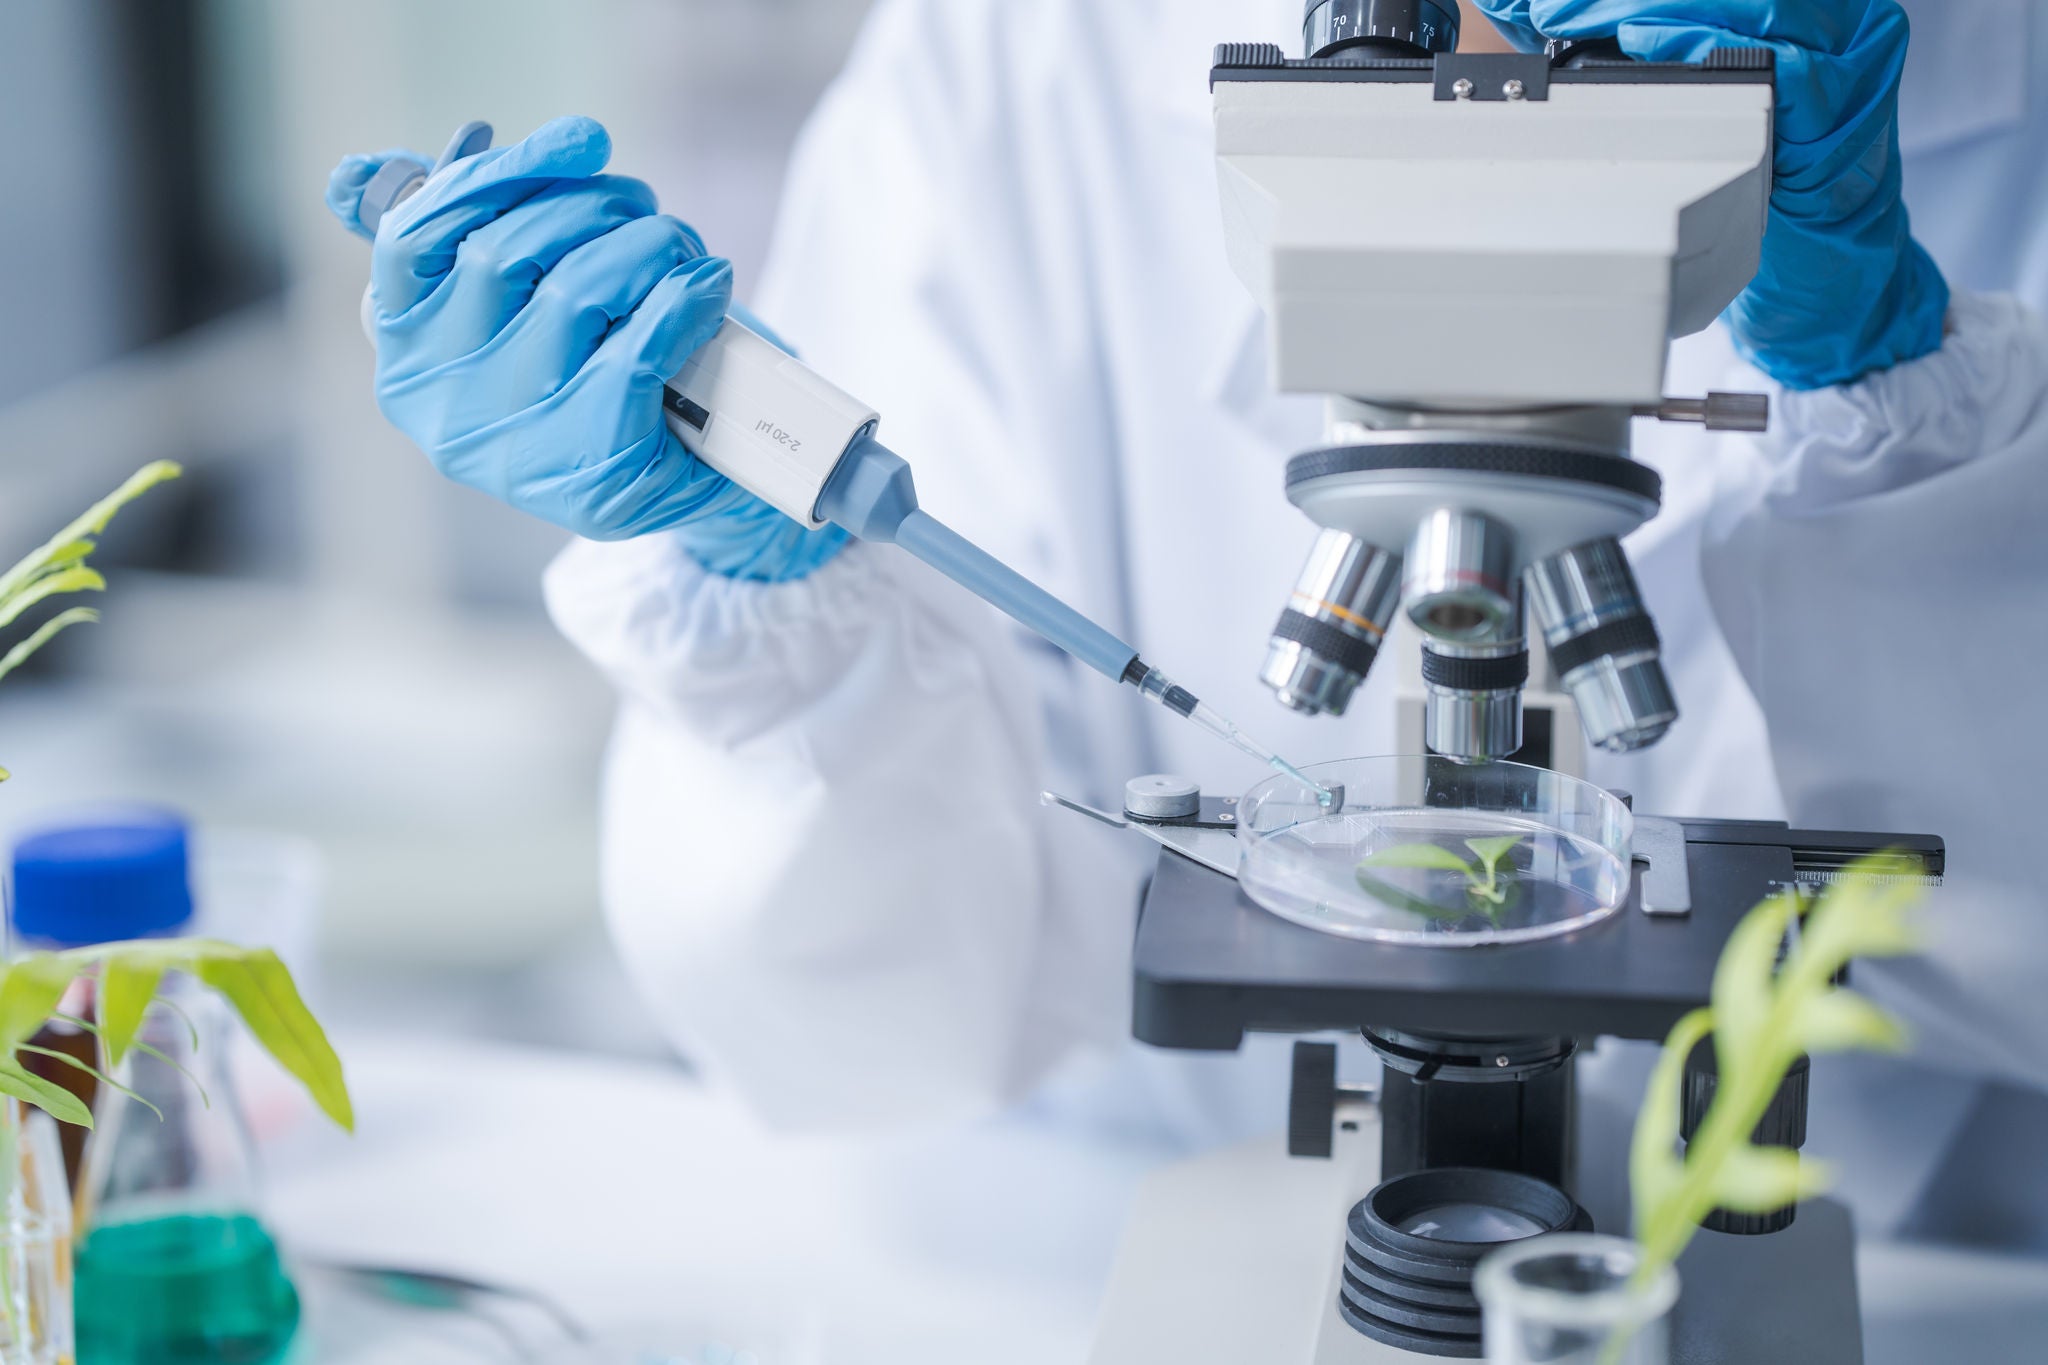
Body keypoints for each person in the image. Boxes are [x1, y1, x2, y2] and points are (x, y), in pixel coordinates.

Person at [327, 0, 2048, 1262]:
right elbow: (849, 1025)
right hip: (1123, 1220)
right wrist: (762, 592)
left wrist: (1889, 377)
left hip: (1918, 1258)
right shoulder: (1028, 67)